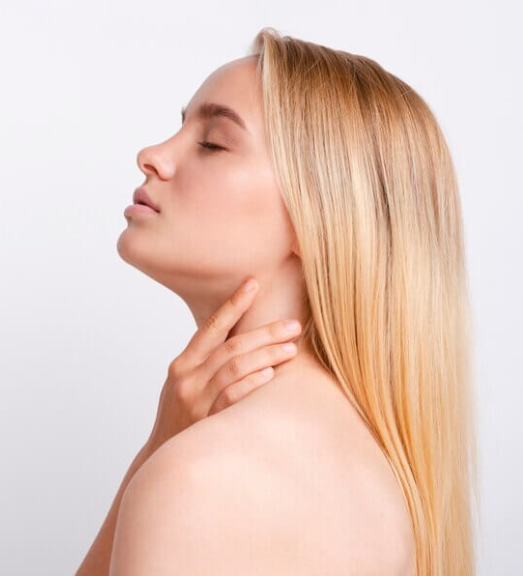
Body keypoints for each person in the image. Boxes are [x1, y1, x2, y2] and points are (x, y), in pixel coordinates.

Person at [77, 27, 476, 576]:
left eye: (213, 143)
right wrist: (157, 446)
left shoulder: (199, 479)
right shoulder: (384, 481)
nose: (152, 156)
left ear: (318, 215)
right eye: (181, 127)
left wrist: (160, 458)